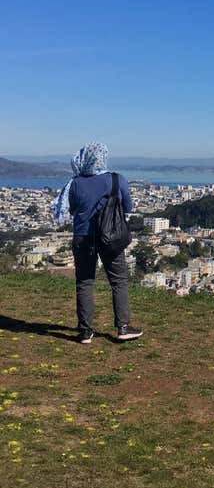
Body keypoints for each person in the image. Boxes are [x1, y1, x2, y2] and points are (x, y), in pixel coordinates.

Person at [54, 143, 143, 344]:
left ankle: (85, 331)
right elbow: (128, 207)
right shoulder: (116, 179)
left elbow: (72, 210)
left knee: (84, 282)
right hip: (110, 237)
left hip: (83, 236)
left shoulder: (75, 183)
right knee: (118, 281)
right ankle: (123, 327)